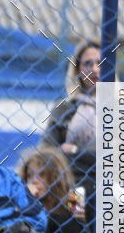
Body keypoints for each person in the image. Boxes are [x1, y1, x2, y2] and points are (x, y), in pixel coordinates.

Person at [42, 39, 101, 207]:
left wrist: (74, 150)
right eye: (88, 64)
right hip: (71, 185)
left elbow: (117, 157)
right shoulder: (64, 107)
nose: (95, 69)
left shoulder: (122, 107)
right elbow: (47, 150)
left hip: (110, 188)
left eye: (100, 63)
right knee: (74, 224)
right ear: (77, 70)